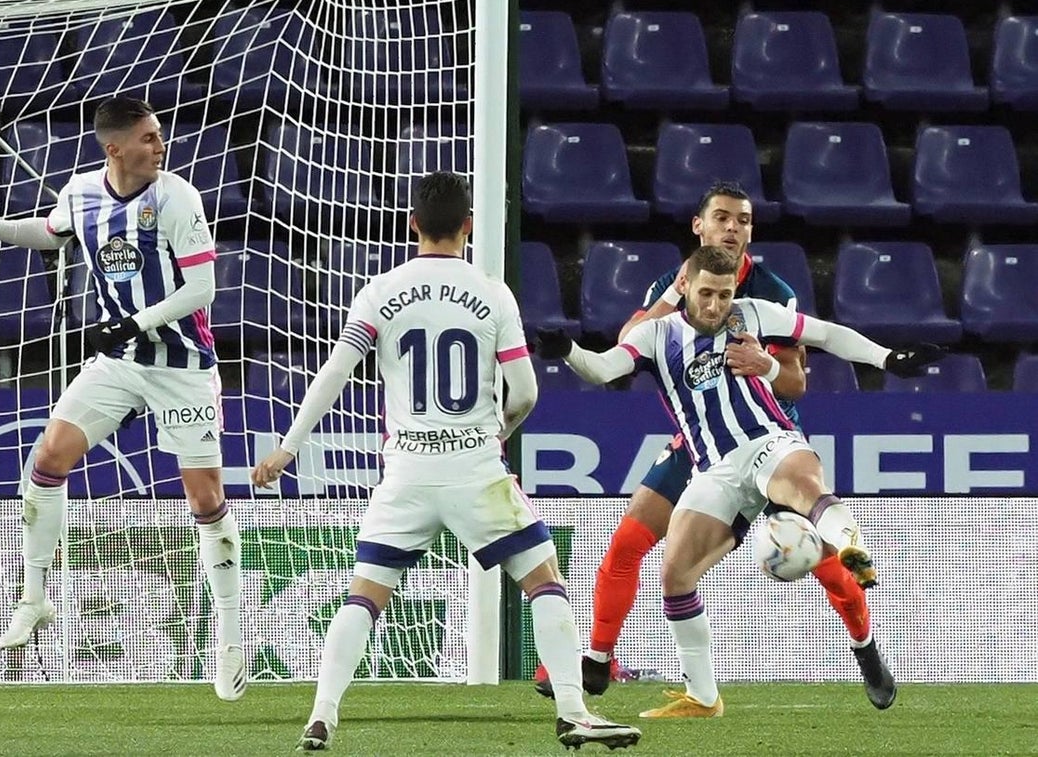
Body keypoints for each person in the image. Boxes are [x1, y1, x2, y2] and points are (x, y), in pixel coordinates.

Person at [251, 172, 640, 752]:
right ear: (468, 226)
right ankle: (573, 711)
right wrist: (498, 432)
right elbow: (525, 391)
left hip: (406, 470)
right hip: (473, 466)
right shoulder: (492, 293)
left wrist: (288, 446)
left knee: (365, 595)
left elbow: (335, 372)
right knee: (543, 581)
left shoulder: (380, 291)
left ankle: (322, 715)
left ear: (413, 224)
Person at [534, 245, 942, 718]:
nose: (714, 306)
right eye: (706, 294)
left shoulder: (753, 312)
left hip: (769, 441)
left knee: (807, 491)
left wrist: (887, 358)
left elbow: (827, 334)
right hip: (713, 468)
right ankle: (704, 696)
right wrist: (568, 351)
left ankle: (855, 554)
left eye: (724, 295)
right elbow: (604, 368)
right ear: (685, 286)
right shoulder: (655, 334)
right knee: (675, 576)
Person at [0, 96, 246, 701]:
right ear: (115, 149)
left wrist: (136, 322)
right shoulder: (81, 192)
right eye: (148, 138)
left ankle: (230, 633)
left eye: (159, 134)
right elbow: (54, 233)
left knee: (205, 497)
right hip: (120, 359)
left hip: (181, 365)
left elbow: (203, 288)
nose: (160, 145)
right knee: (48, 458)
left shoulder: (177, 198)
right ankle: (34, 599)